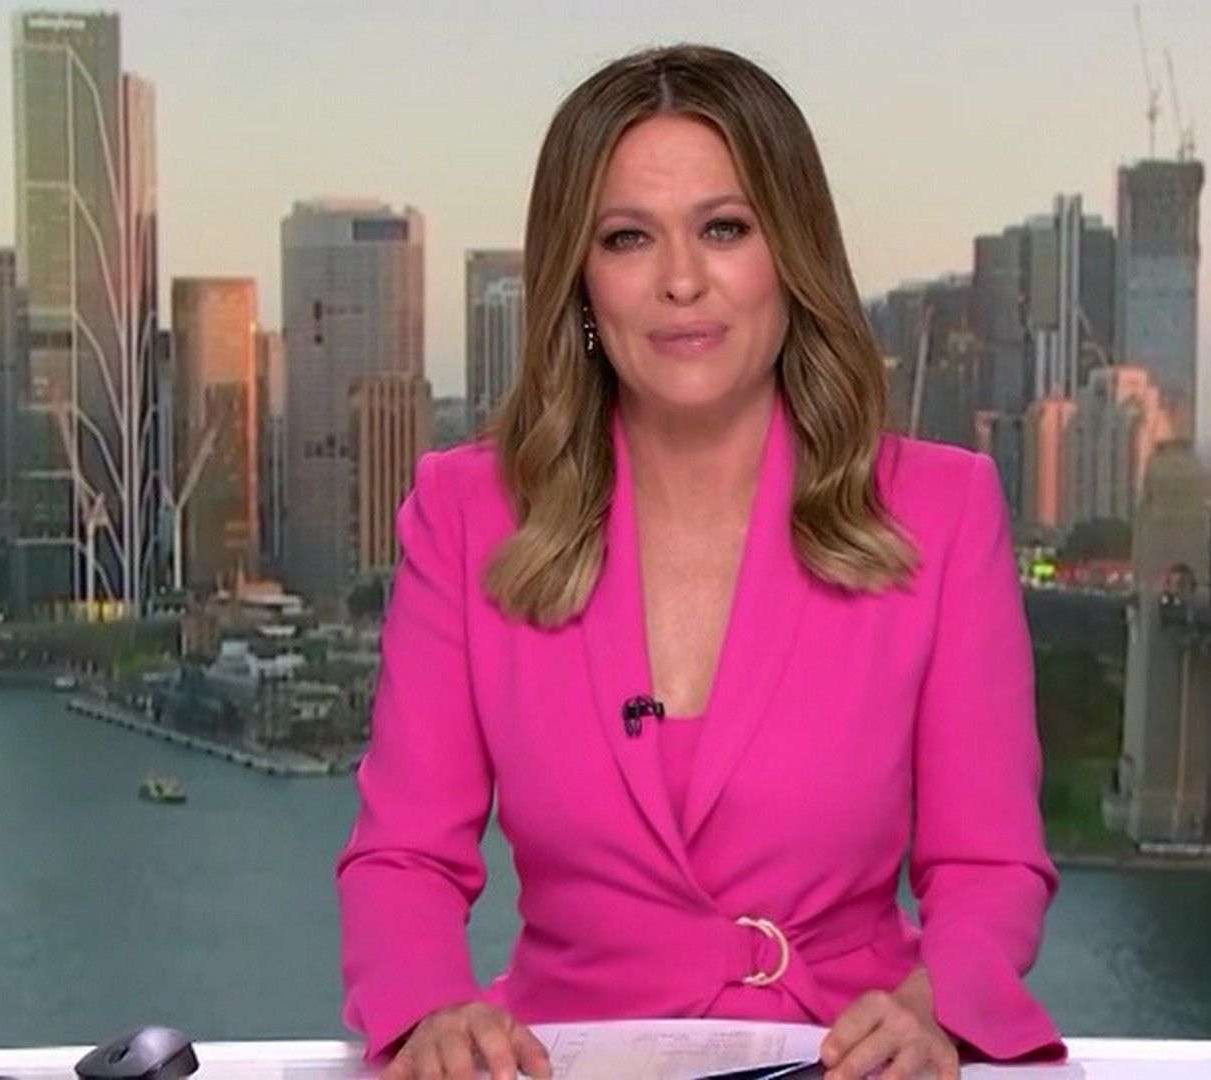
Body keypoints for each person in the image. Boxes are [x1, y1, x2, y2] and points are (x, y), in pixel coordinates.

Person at [337, 43, 1065, 1080]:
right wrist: (431, 1014)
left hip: (851, 1062)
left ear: (792, 254)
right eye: (628, 238)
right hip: (559, 1065)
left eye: (725, 228)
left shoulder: (940, 512)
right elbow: (404, 855)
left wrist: (932, 1004)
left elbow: (988, 863)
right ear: (581, 281)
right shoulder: (467, 515)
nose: (682, 281)